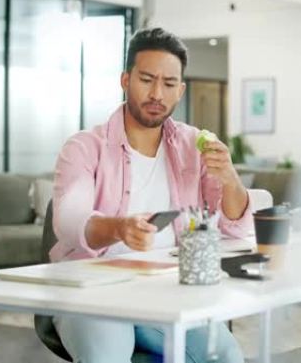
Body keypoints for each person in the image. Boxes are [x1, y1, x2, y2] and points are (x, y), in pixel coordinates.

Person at [50, 27, 252, 363]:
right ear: (125, 80)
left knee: (226, 355)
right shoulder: (85, 147)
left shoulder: (193, 146)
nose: (157, 93)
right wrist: (118, 228)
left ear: (180, 90)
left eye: (169, 84)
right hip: (92, 289)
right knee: (109, 354)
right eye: (146, 79)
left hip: (165, 290)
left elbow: (234, 229)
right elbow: (69, 221)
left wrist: (230, 179)